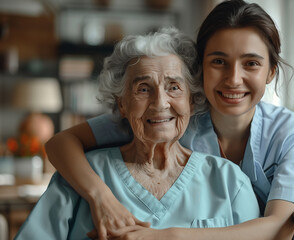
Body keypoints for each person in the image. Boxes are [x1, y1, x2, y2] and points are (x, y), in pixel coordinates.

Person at [45, 0, 294, 239]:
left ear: (270, 72)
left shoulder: (288, 132)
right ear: (199, 69)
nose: (233, 79)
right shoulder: (168, 117)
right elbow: (61, 142)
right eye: (219, 61)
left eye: (251, 63)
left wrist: (165, 236)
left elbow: (280, 227)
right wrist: (101, 198)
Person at [15, 27, 260, 239]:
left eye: (173, 87)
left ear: (191, 101)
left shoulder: (230, 182)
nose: (160, 103)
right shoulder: (81, 175)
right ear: (122, 104)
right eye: (143, 89)